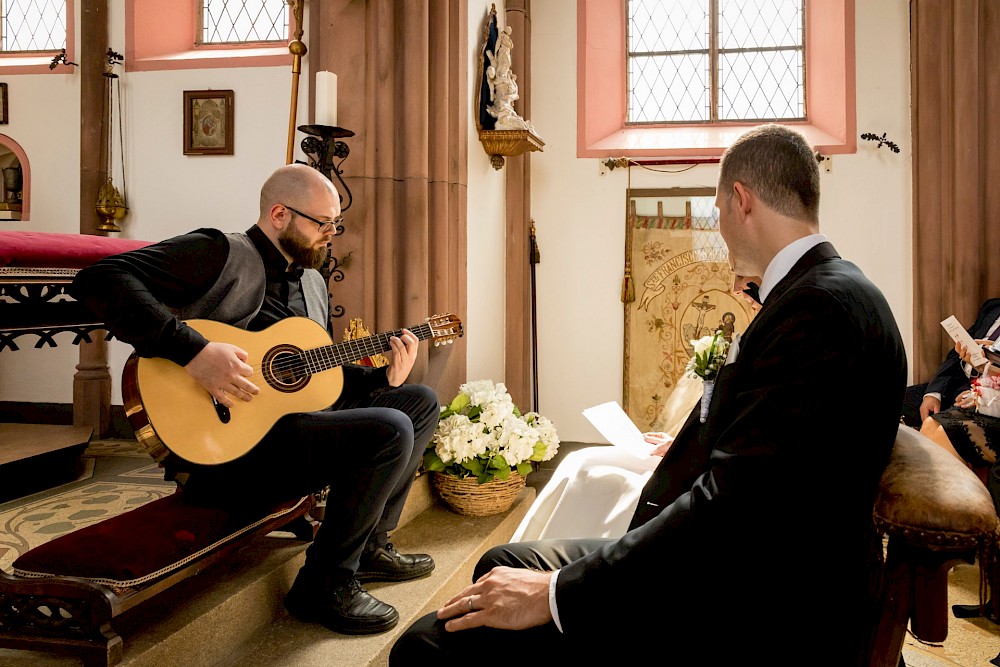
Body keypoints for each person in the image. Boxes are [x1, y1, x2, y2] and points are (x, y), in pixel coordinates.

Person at [390, 124, 907, 665]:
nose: (722, 229)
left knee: (425, 645)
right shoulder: (831, 288)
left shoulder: (815, 311)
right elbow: (770, 457)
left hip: (760, 604)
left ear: (740, 200)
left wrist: (556, 594)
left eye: (719, 210)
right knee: (501, 561)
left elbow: (735, 510)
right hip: (763, 561)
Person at [71, 163, 439, 636]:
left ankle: (369, 547)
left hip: (284, 431)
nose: (331, 234)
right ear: (280, 213)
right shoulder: (217, 252)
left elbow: (310, 378)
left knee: (418, 401)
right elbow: (100, 278)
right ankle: (323, 585)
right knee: (389, 429)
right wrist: (194, 351)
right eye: (322, 223)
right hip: (222, 449)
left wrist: (383, 378)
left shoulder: (311, 282)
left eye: (335, 224)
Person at [509, 275, 760, 543]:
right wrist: (679, 444)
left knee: (604, 480)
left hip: (702, 471)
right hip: (693, 456)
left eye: (748, 286)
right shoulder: (753, 341)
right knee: (580, 459)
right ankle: (537, 553)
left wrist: (689, 454)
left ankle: (572, 562)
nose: (740, 290)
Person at [901, 298, 1000, 428]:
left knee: (935, 428)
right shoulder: (993, 307)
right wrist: (933, 392)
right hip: (953, 385)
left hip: (986, 399)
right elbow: (954, 356)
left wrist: (979, 394)